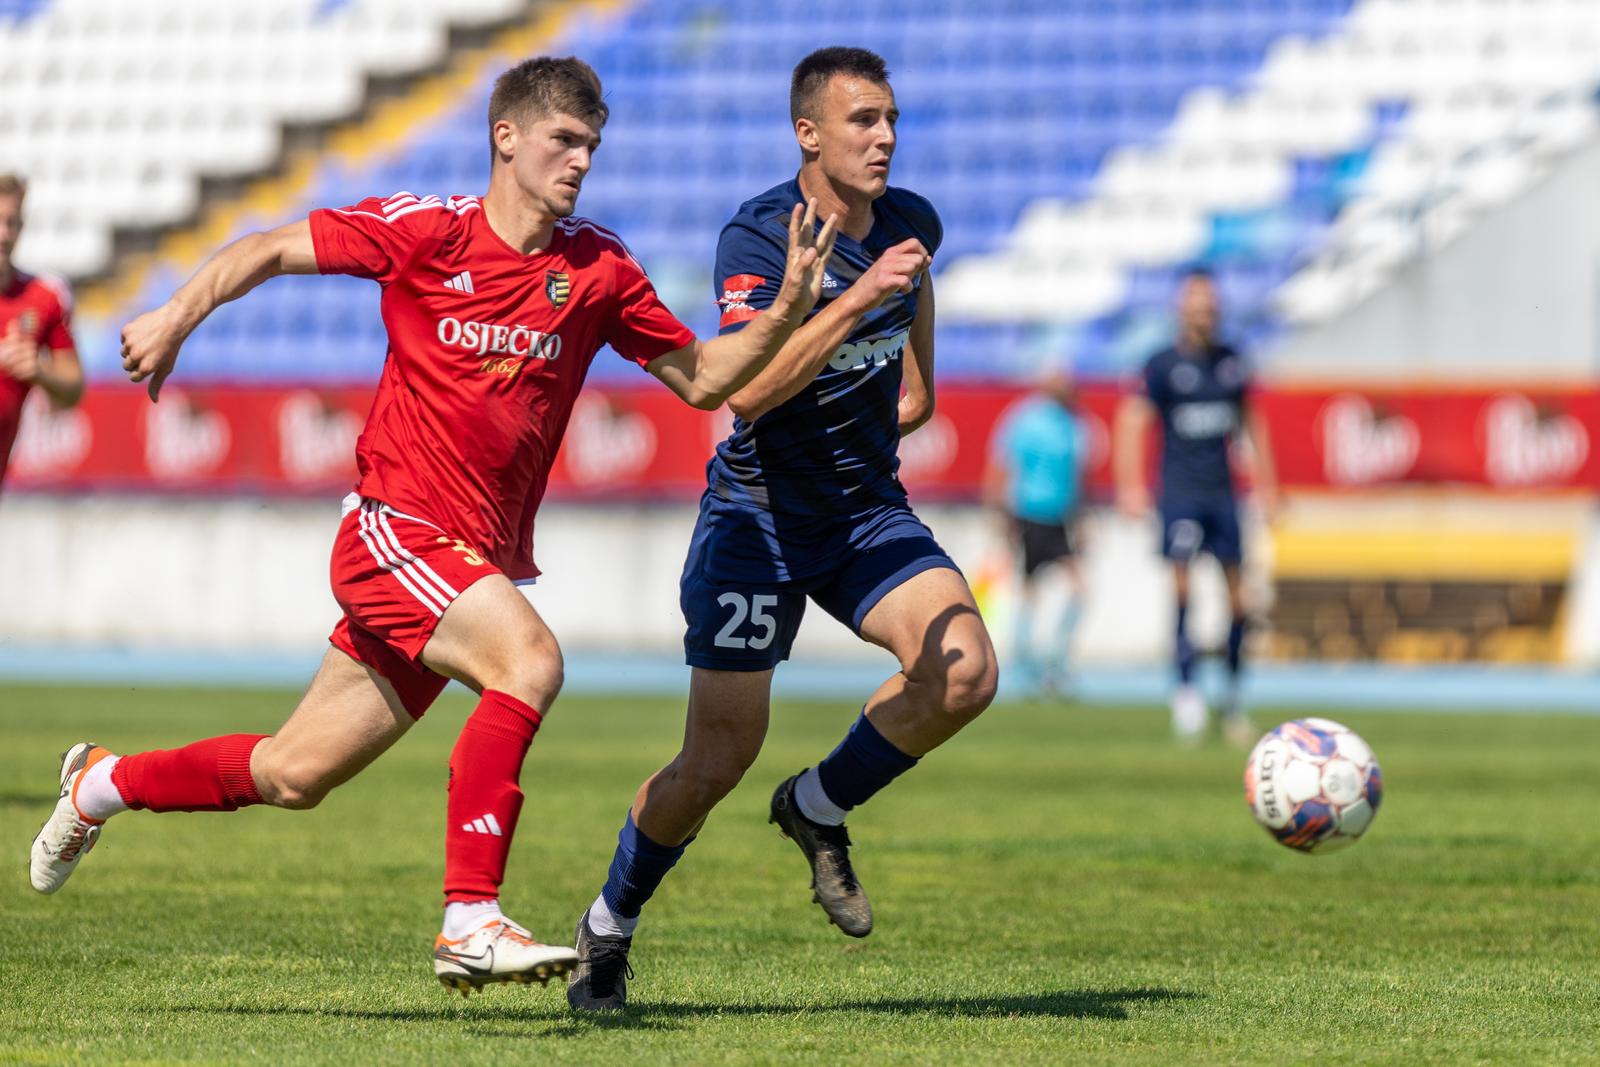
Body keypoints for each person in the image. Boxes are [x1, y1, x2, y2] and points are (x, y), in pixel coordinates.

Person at [29, 56, 838, 997]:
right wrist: (173, 315)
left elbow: (704, 378)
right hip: (394, 531)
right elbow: (263, 248)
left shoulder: (599, 268)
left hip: (465, 564)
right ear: (507, 138)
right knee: (529, 662)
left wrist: (785, 309)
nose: (581, 161)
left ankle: (100, 782)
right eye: (563, 141)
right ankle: (470, 917)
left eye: (592, 146)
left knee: (295, 772)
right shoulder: (427, 232)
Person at [566, 46, 998, 1013]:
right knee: (716, 759)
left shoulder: (913, 225)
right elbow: (747, 394)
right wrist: (847, 301)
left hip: (862, 514)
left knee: (965, 669)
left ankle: (816, 806)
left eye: (891, 119)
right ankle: (608, 927)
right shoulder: (760, 237)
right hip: (754, 520)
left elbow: (917, 394)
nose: (884, 137)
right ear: (809, 133)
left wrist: (866, 400)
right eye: (862, 122)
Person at [1114, 267, 1278, 744]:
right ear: (1183, 309)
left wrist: (1268, 485)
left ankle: (1231, 696)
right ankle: (1186, 693)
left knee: (1238, 600)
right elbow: (1133, 421)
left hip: (1224, 495)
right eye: (1197, 304)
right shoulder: (1163, 365)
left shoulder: (1232, 361)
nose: (1204, 312)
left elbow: (1253, 424)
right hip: (1180, 494)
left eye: (1211, 304)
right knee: (1184, 593)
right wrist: (1130, 485)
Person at [983, 363, 1090, 698]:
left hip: (1059, 519)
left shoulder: (1074, 422)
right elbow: (1001, 466)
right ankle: (1026, 667)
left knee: (1079, 590)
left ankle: (1055, 661)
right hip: (1030, 514)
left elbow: (1077, 476)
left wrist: (1082, 520)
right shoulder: (1025, 419)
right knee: (1031, 592)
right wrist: (1001, 516)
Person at [0, 173, 84, 492]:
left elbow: (72, 390)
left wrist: (39, 371)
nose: (3, 234)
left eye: (12, 223)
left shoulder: (44, 297)